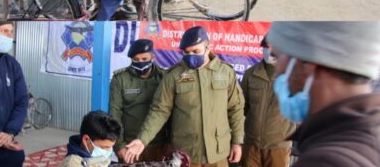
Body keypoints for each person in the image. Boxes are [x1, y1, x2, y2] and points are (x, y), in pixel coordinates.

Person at [124, 26, 245, 167]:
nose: (191, 56)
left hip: (218, 154)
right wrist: (142, 140)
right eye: (187, 53)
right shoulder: (174, 75)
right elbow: (159, 110)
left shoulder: (226, 72)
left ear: (208, 47)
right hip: (186, 155)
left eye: (196, 51)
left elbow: (235, 108)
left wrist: (237, 142)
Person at [267, 21, 380, 167]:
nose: (275, 74)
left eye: (276, 58)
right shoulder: (371, 135)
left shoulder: (322, 161)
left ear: (305, 66)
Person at [109, 39, 169, 162]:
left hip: (158, 145)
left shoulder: (164, 77)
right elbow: (115, 113)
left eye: (144, 59)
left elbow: (168, 110)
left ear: (153, 57)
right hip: (130, 147)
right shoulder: (120, 79)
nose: (140, 63)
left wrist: (169, 144)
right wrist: (119, 146)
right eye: (136, 60)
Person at [240, 36, 295, 167]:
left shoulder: (292, 76)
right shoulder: (251, 74)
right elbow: (242, 107)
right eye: (266, 47)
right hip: (252, 144)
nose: (268, 50)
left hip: (278, 146)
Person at [0, 22, 29, 167]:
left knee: (16, 156)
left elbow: (21, 101)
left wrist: (10, 133)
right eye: (4, 31)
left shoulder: (12, 64)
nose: (9, 36)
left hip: (4, 139)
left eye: (11, 32)